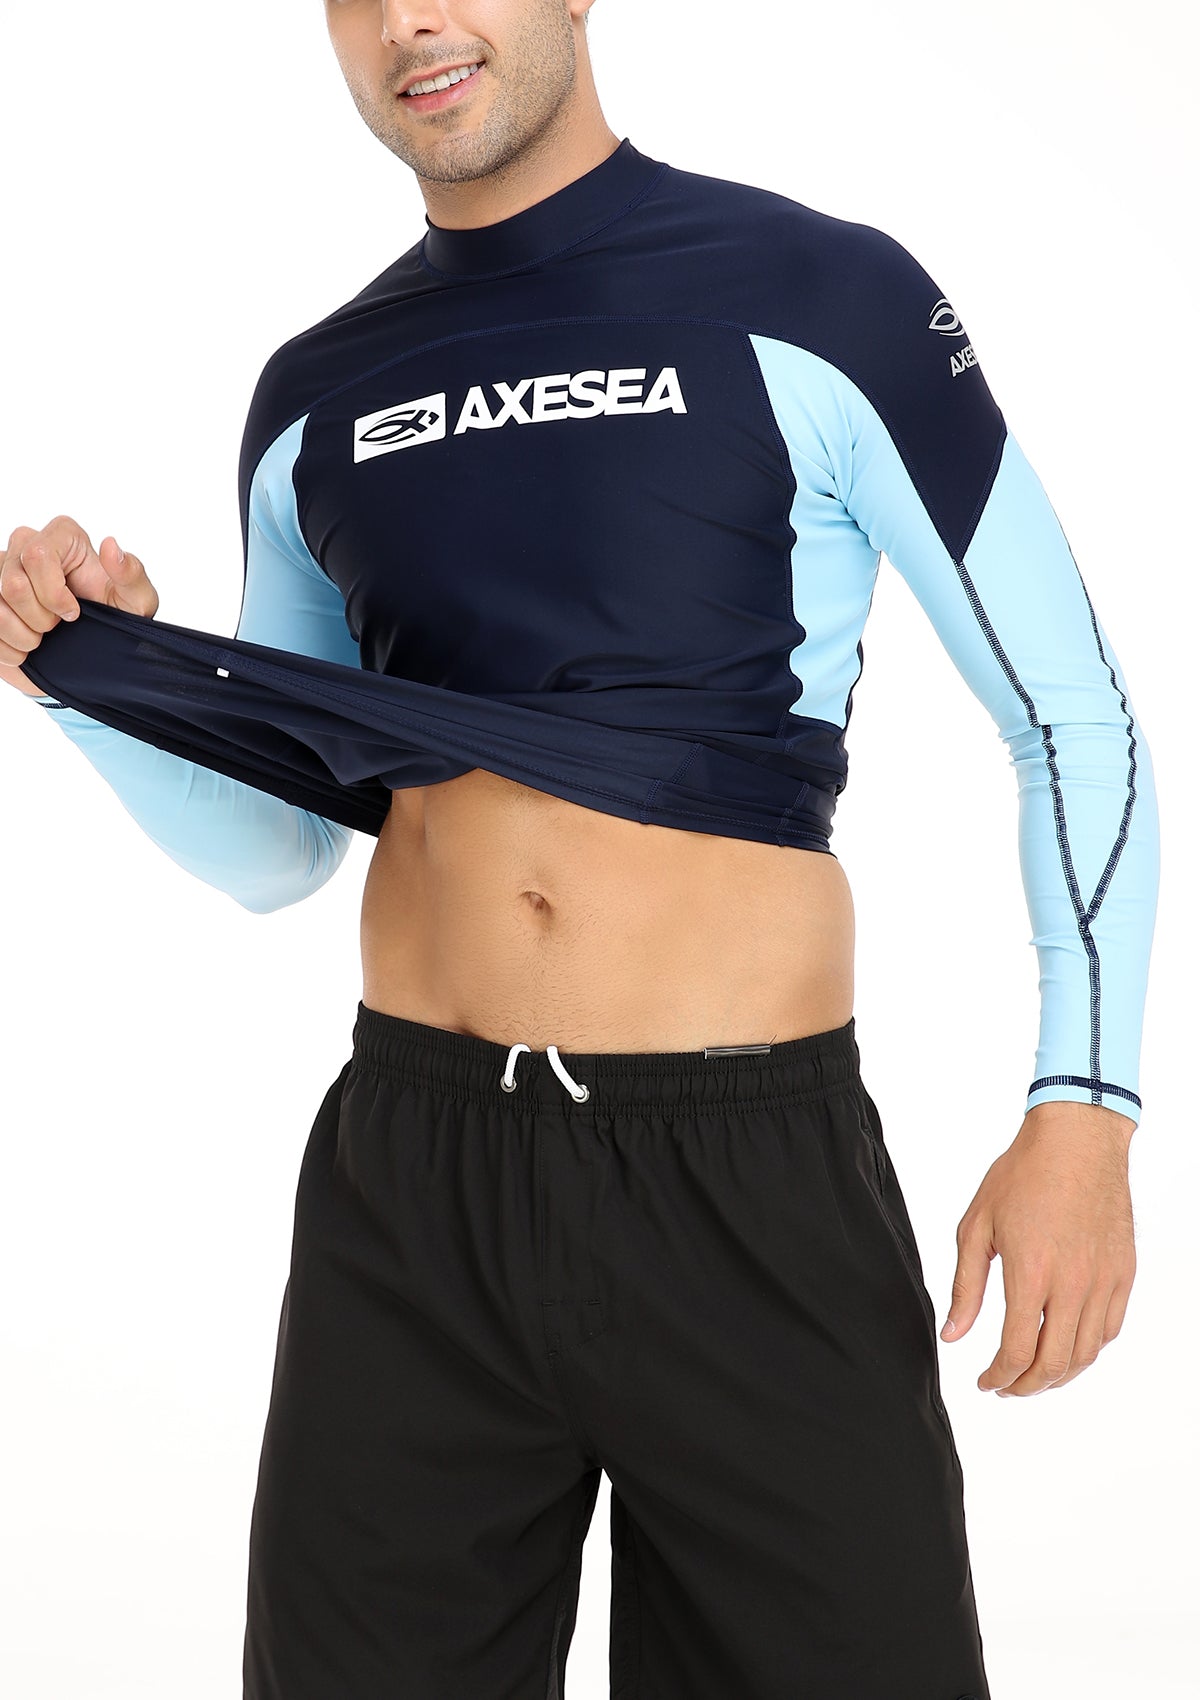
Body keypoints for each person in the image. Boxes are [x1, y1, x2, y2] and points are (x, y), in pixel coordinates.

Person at [2, 2, 1159, 1696]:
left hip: (744, 1181)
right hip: (413, 1186)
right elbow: (283, 850)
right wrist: (92, 686)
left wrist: (1085, 1113)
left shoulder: (819, 295)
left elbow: (1070, 716)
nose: (412, 20)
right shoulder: (316, 395)